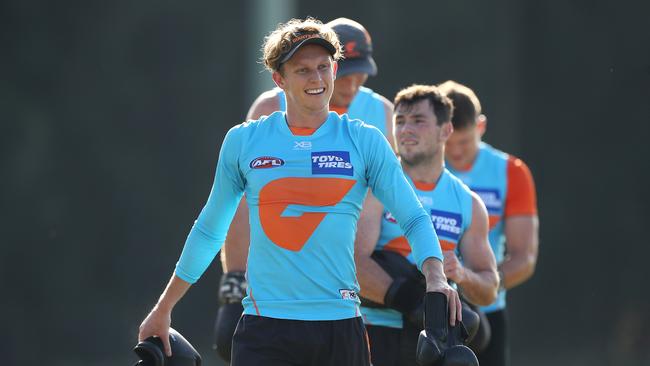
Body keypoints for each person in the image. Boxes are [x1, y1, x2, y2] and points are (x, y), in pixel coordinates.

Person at [137, 18, 460, 366]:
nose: (317, 79)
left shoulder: (365, 139)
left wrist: (435, 277)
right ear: (279, 79)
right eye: (303, 70)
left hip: (341, 325)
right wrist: (164, 307)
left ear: (335, 69)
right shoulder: (244, 140)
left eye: (323, 67)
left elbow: (413, 217)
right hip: (265, 327)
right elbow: (210, 228)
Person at [213, 17, 394, 362]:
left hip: (358, 283)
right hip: (282, 293)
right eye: (349, 73)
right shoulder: (269, 109)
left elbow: (394, 201)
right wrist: (234, 279)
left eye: (360, 73)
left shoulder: (382, 115)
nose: (353, 84)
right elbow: (243, 208)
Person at [355, 84, 499, 366]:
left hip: (433, 342)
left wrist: (463, 274)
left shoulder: (468, 202)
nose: (406, 129)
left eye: (418, 121)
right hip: (377, 332)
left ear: (446, 131)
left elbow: (489, 287)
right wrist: (419, 303)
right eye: (400, 121)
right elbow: (353, 264)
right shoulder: (374, 188)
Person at [439, 80, 539, 366]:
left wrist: (481, 287)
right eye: (448, 142)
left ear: (480, 127)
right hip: (426, 308)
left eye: (465, 141)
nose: (455, 152)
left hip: (487, 310)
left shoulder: (511, 172)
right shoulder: (421, 167)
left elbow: (524, 257)